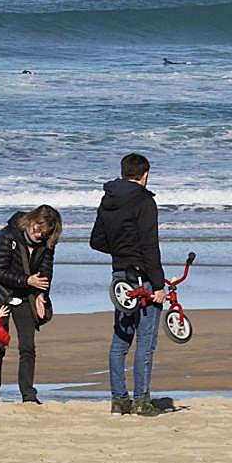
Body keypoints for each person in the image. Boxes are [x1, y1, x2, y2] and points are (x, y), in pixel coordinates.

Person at [90, 153, 167, 417]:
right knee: (146, 339)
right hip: (143, 277)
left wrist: (121, 251)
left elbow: (97, 241)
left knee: (120, 339)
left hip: (120, 276)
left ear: (123, 172)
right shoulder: (145, 201)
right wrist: (158, 285)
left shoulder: (108, 199)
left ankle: (118, 400)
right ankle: (142, 401)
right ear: (144, 175)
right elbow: (150, 245)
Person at [0, 205, 62, 404]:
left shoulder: (47, 244)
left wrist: (41, 296)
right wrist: (27, 280)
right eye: (37, 229)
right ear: (30, 220)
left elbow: (46, 273)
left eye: (44, 233)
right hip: (0, 293)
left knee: (28, 346)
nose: (39, 235)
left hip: (26, 295)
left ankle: (28, 395)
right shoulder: (7, 235)